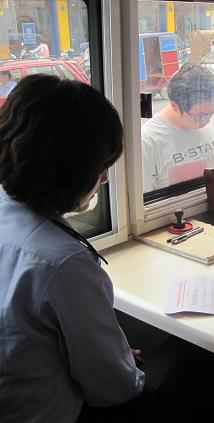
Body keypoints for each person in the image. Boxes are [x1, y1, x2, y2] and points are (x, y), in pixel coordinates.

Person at [0, 75, 144, 422]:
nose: (105, 178)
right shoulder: (62, 263)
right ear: (71, 168)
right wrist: (126, 361)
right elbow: (115, 387)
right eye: (102, 166)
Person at [142, 65, 214, 193]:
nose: (207, 120)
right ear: (175, 106)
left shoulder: (213, 119)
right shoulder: (148, 140)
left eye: (213, 111)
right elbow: (143, 198)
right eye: (200, 116)